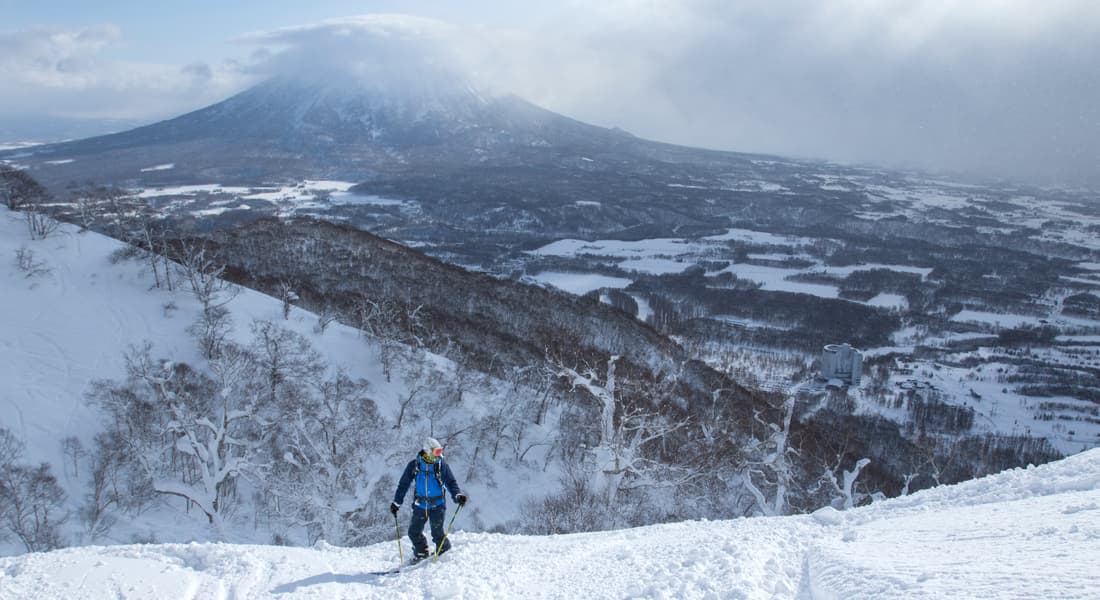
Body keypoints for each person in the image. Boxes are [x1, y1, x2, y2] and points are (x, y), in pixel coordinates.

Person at [390, 437, 468, 560]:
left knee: (437, 533)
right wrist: (397, 502)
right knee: (413, 532)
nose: (440, 454)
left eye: (440, 451)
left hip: (437, 505)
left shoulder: (441, 465)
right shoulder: (415, 465)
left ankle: (444, 553)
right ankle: (421, 552)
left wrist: (457, 496)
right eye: (437, 452)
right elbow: (403, 484)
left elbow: (451, 482)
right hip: (420, 505)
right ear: (428, 451)